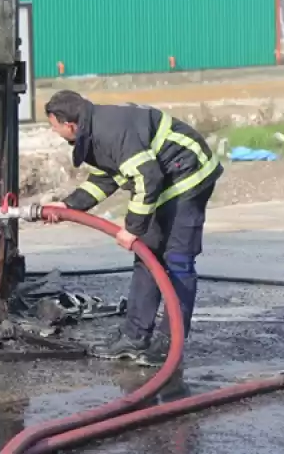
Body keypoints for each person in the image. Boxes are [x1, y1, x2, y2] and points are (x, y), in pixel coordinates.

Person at [42, 90, 222, 367]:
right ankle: (135, 336)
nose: (53, 132)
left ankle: (170, 342)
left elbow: (148, 177)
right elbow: (105, 179)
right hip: (164, 180)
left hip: (188, 174)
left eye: (53, 126)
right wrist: (69, 206)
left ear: (70, 125)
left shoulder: (110, 131)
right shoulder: (94, 133)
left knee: (177, 261)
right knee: (148, 259)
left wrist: (132, 228)